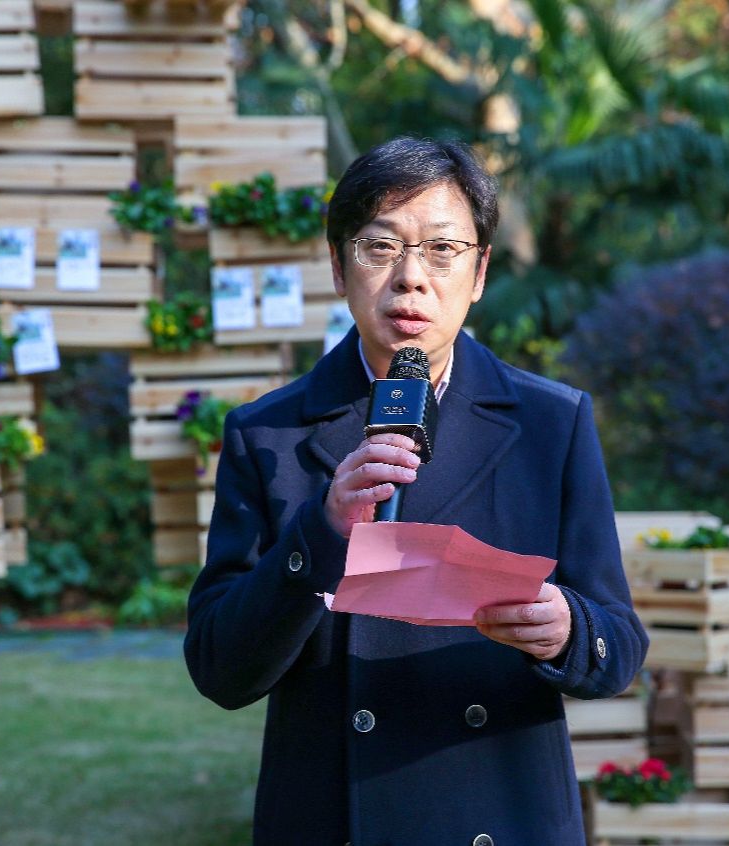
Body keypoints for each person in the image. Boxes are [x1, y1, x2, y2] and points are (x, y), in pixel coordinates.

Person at [184, 137, 647, 846]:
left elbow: (620, 641)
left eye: (441, 250)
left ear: (480, 272)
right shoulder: (267, 433)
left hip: (499, 812)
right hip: (334, 818)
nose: (411, 280)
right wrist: (320, 533)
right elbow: (220, 669)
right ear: (338, 266)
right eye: (380, 247)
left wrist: (566, 630)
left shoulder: (552, 423)